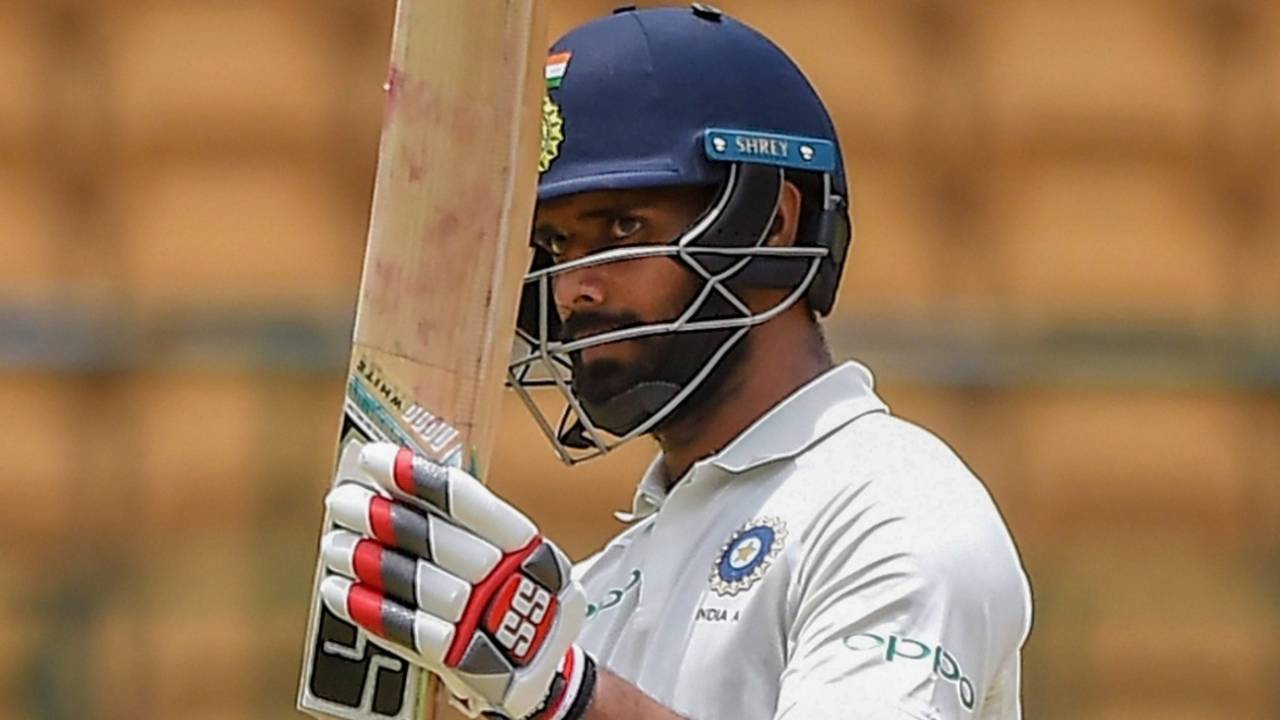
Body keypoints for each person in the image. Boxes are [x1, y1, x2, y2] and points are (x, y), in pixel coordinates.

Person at [319, 5, 1032, 719]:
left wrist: (568, 696)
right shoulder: (599, 588)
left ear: (770, 222)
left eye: (623, 228)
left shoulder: (894, 509)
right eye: (558, 244)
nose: (575, 287)